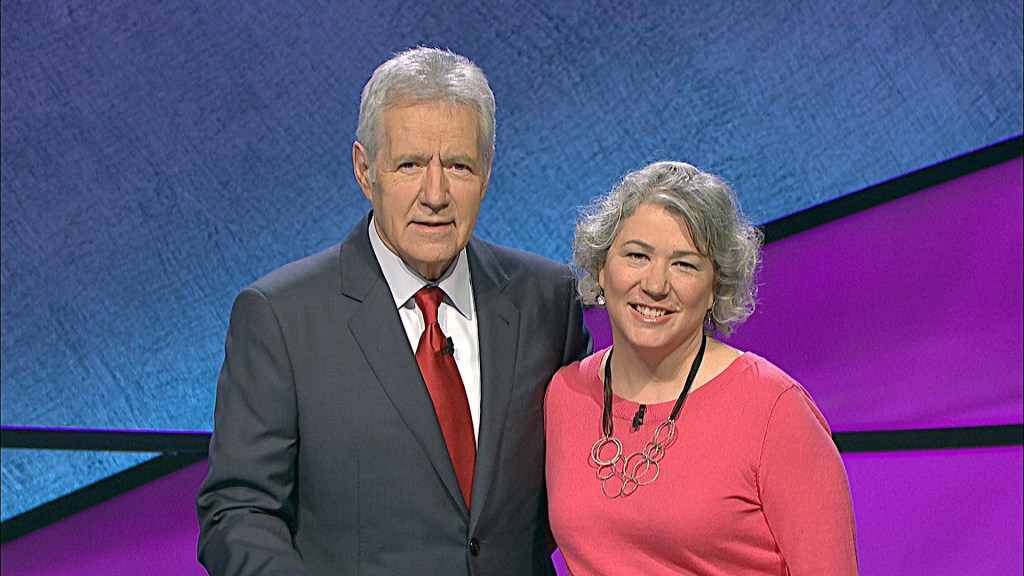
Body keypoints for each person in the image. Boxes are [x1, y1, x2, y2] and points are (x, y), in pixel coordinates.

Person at [196, 47, 591, 575]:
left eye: (458, 165)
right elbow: (238, 512)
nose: (435, 194)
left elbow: (588, 485)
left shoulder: (546, 299)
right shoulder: (280, 319)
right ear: (365, 170)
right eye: (410, 165)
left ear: (487, 170)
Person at [545, 161, 857, 575]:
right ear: (602, 268)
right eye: (637, 255)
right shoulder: (563, 395)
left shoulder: (775, 411)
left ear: (715, 287)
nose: (655, 284)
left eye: (684, 265)